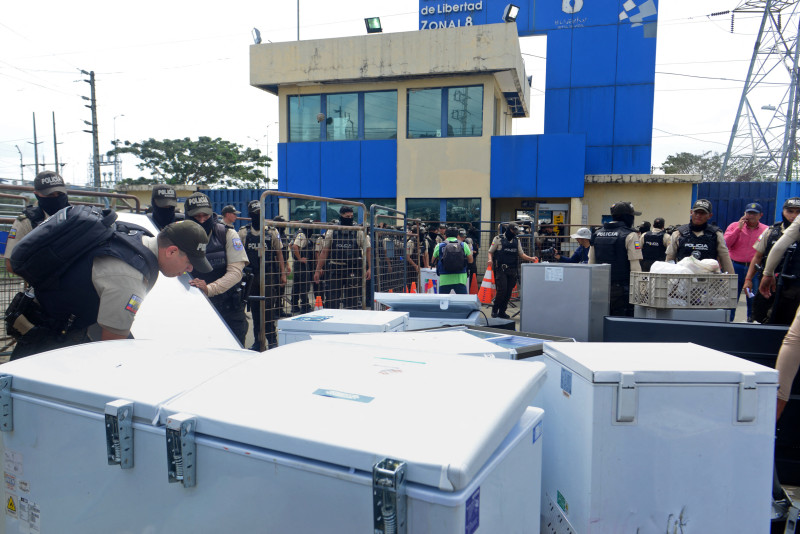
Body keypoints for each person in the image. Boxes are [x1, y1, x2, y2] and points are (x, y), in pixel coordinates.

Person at [10, 219, 212, 360]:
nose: (190, 269)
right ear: (172, 251)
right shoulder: (129, 278)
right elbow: (112, 346)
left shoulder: (137, 236)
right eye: (189, 262)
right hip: (46, 346)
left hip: (46, 322)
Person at [185, 192, 250, 346]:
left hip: (228, 307)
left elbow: (235, 272)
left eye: (205, 216)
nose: (201, 219)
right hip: (193, 306)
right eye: (196, 216)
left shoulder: (227, 233)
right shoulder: (178, 235)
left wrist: (209, 289)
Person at [4, 171, 70, 274]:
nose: (56, 197)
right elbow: (11, 264)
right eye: (50, 194)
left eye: (60, 193)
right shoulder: (27, 222)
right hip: (45, 283)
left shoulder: (77, 216)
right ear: (37, 194)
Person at [747, 198, 800, 324]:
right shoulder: (771, 231)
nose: (794, 215)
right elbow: (758, 257)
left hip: (792, 290)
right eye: (790, 211)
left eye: (798, 212)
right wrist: (748, 279)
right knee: (759, 320)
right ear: (783, 211)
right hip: (767, 286)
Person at [589, 201, 643, 317]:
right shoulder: (630, 235)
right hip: (621, 290)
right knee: (621, 322)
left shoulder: (597, 233)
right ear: (628, 217)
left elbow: (591, 262)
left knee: (600, 319)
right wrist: (639, 290)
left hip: (600, 288)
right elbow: (635, 267)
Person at [313, 206, 372, 309]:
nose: (349, 218)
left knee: (352, 302)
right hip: (335, 269)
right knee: (332, 300)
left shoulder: (358, 230)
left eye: (351, 216)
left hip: (352, 269)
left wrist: (370, 268)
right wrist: (317, 270)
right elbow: (325, 251)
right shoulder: (333, 230)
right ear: (341, 216)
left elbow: (368, 250)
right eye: (347, 216)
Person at [723, 202, 768, 322]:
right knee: (731, 297)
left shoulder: (766, 230)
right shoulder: (734, 226)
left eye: (754, 214)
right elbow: (725, 244)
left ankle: (751, 322)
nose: (751, 216)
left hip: (754, 269)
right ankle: (728, 322)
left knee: (753, 298)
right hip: (735, 266)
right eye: (748, 213)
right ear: (744, 213)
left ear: (760, 215)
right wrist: (738, 229)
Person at [666, 199, 735, 274]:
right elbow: (670, 258)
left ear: (710, 216)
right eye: (696, 212)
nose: (698, 215)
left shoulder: (716, 234)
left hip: (709, 281)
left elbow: (725, 258)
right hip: (683, 280)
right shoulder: (678, 233)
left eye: (703, 213)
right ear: (691, 212)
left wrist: (731, 281)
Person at [488, 223, 538, 318]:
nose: (515, 233)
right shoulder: (498, 239)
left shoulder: (516, 240)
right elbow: (490, 252)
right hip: (501, 269)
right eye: (513, 231)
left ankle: (502, 311)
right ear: (509, 229)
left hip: (512, 270)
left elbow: (521, 254)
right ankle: (495, 310)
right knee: (502, 290)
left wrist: (531, 258)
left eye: (516, 232)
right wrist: (490, 260)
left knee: (508, 292)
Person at [433, 226, 473, 294]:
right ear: (457, 235)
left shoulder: (439, 245)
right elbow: (470, 260)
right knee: (462, 301)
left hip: (444, 278)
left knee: (443, 302)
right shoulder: (463, 245)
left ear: (445, 236)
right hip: (460, 278)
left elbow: (433, 260)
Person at [290, 218, 315, 314]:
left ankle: (295, 306)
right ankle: (305, 306)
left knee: (296, 286)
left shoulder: (298, 233)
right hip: (301, 265)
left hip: (297, 264)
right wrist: (300, 258)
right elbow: (295, 246)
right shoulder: (302, 235)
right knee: (304, 286)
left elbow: (291, 245)